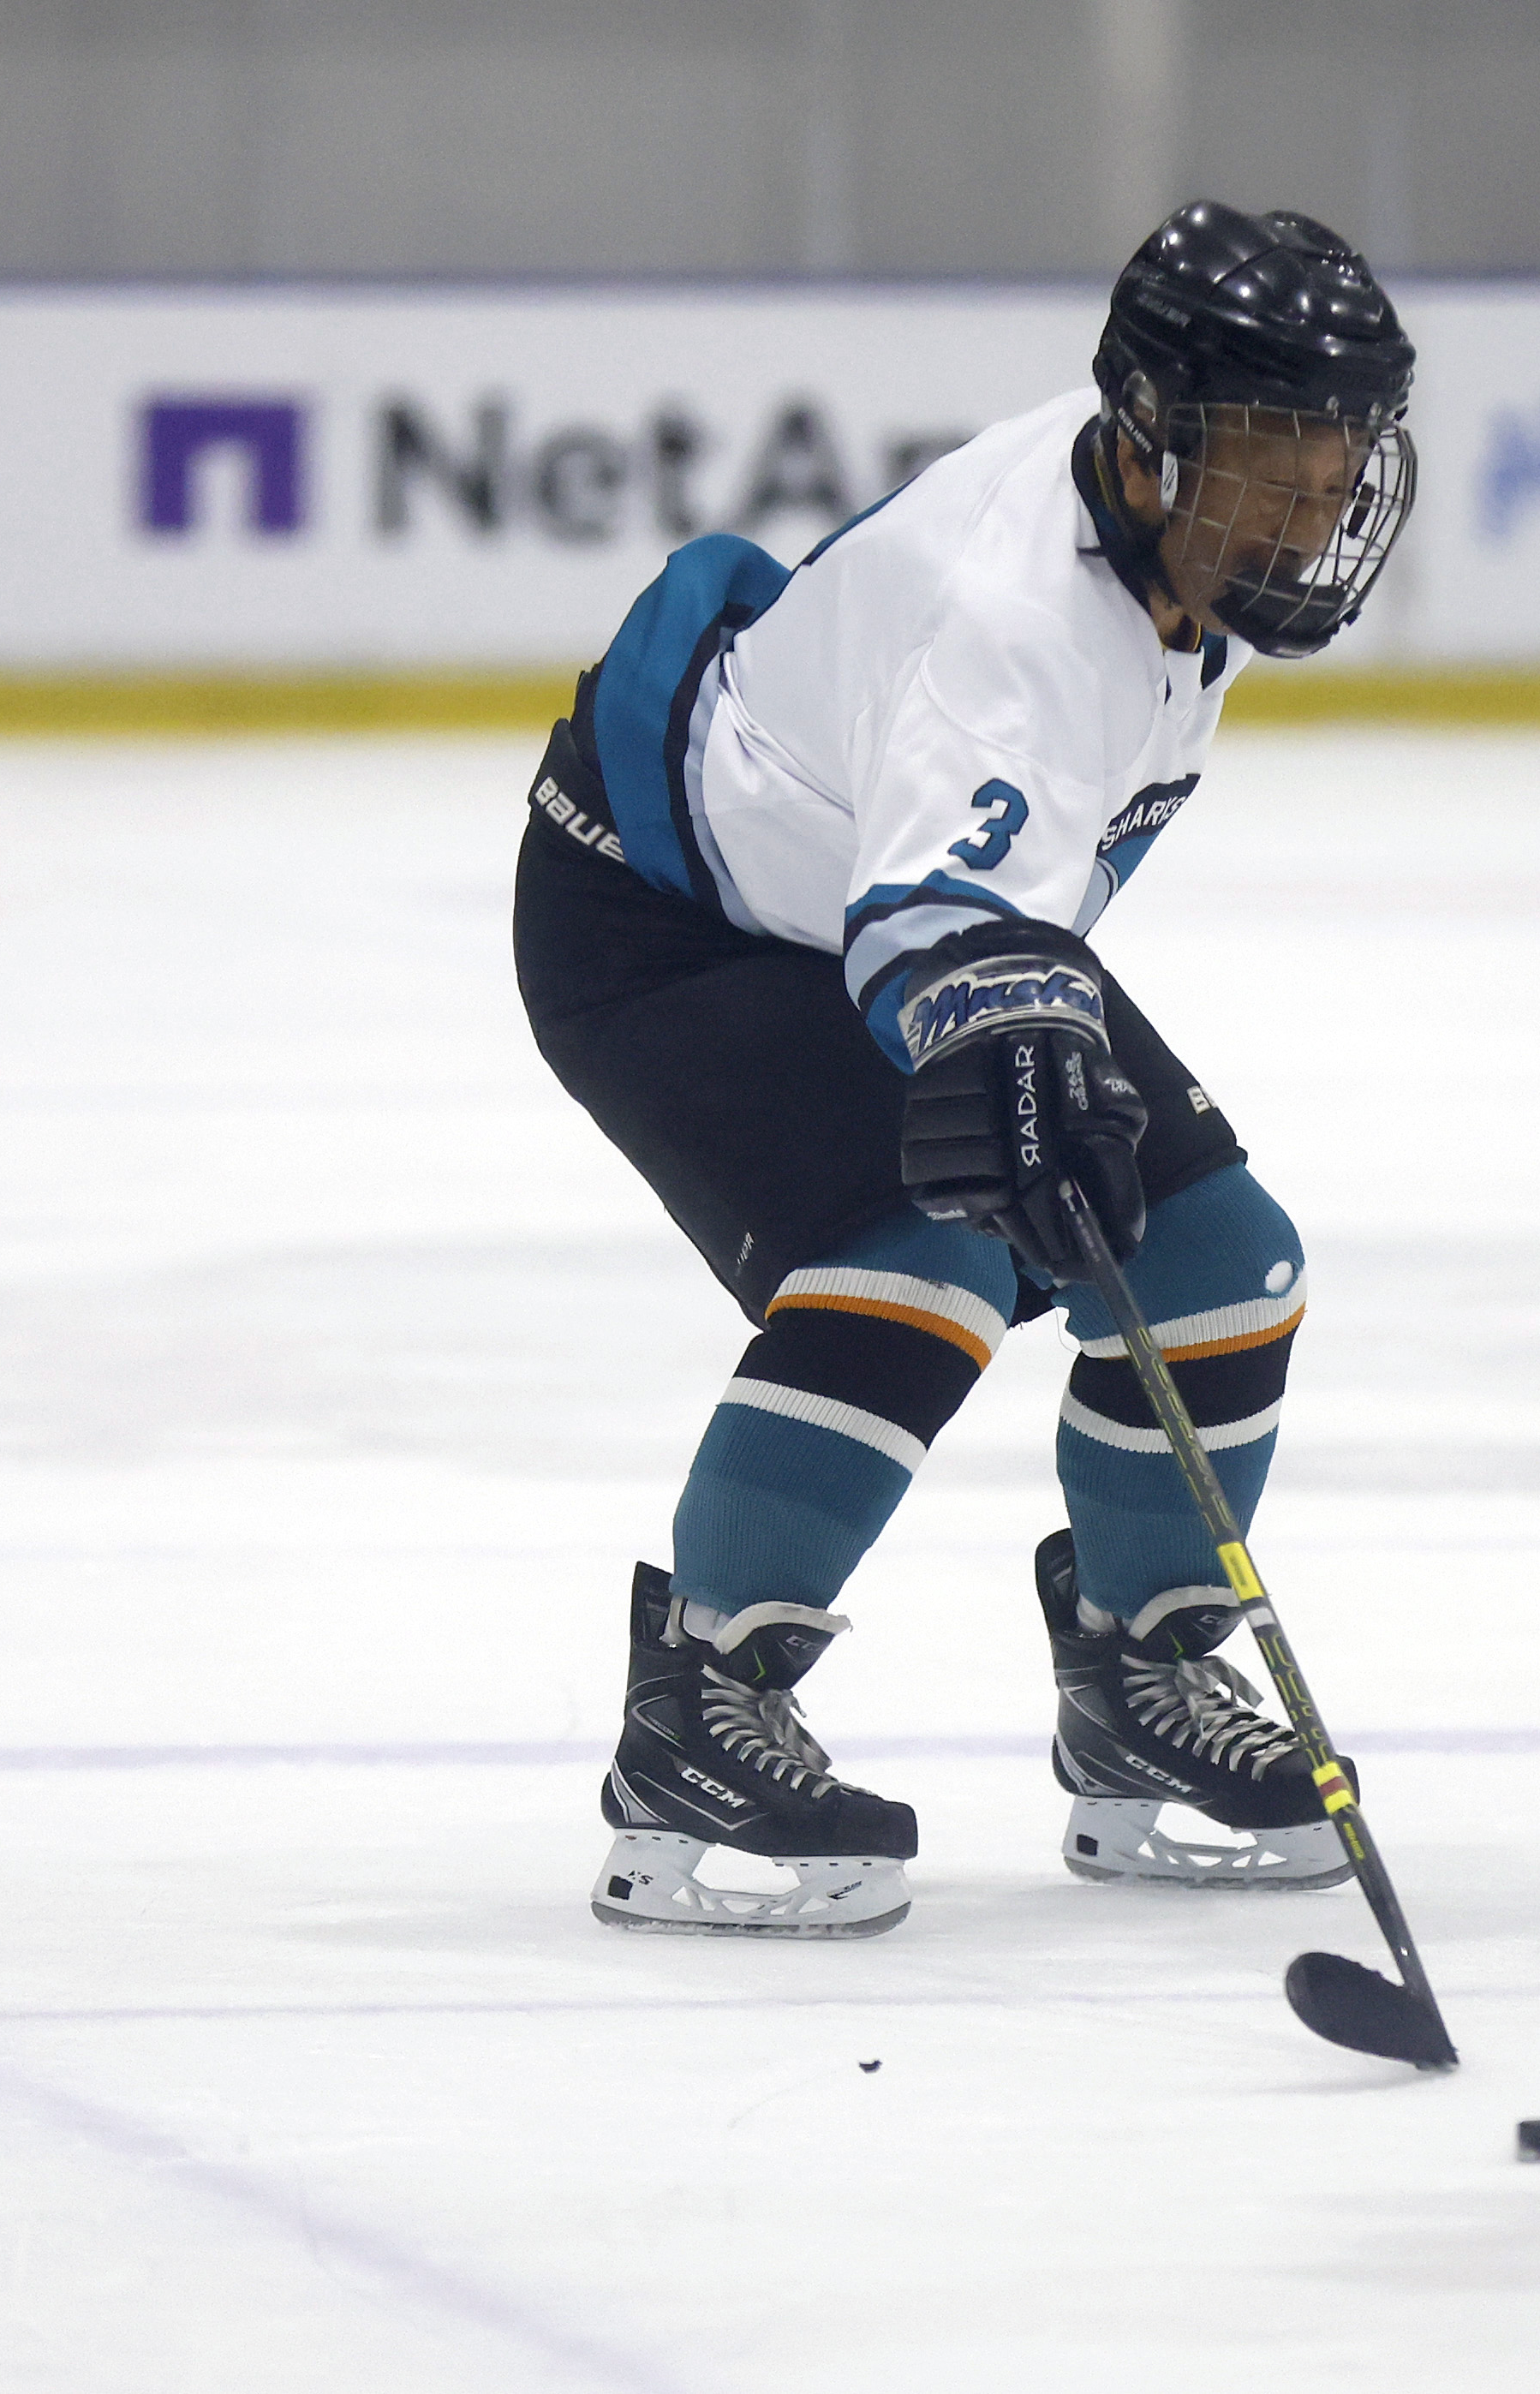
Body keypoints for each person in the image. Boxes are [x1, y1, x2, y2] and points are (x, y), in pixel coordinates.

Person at [514, 201, 1419, 1936]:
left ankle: (1139, 1679)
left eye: (1336, 475)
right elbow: (933, 911)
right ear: (1153, 441)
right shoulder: (1010, 614)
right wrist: (1010, 1046)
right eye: (1272, 479)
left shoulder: (1173, 547)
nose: (1312, 522)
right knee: (923, 1255)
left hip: (863, 903)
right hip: (665, 924)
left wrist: (1027, 1040)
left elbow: (971, 900)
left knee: (1221, 1261)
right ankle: (699, 1704)